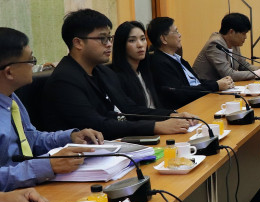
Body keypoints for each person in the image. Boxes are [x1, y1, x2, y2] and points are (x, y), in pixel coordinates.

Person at [43, 9, 190, 140]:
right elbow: (97, 125)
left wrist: (171, 115)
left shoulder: (102, 71)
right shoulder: (64, 80)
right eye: (102, 38)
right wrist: (156, 127)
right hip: (83, 155)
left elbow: (129, 109)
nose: (109, 44)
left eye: (109, 38)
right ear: (78, 43)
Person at [0, 27, 104, 192]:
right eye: (30, 60)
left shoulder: (11, 98)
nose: (34, 66)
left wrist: (70, 137)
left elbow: (31, 138)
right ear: (9, 72)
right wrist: (46, 165)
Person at [147, 17, 234, 110]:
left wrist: (219, 82)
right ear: (163, 39)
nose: (180, 35)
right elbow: (180, 92)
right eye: (176, 31)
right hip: (187, 108)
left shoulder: (177, 58)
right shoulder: (160, 63)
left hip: (199, 101)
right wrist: (216, 85)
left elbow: (197, 81)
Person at [192, 13, 260, 81]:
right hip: (204, 91)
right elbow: (228, 74)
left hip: (222, 89)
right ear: (231, 32)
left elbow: (243, 66)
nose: (245, 37)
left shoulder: (234, 44)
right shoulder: (215, 44)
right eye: (243, 33)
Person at [111, 21, 166, 108]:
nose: (140, 45)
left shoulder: (146, 71)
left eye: (143, 39)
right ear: (121, 45)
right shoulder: (116, 78)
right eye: (132, 40)